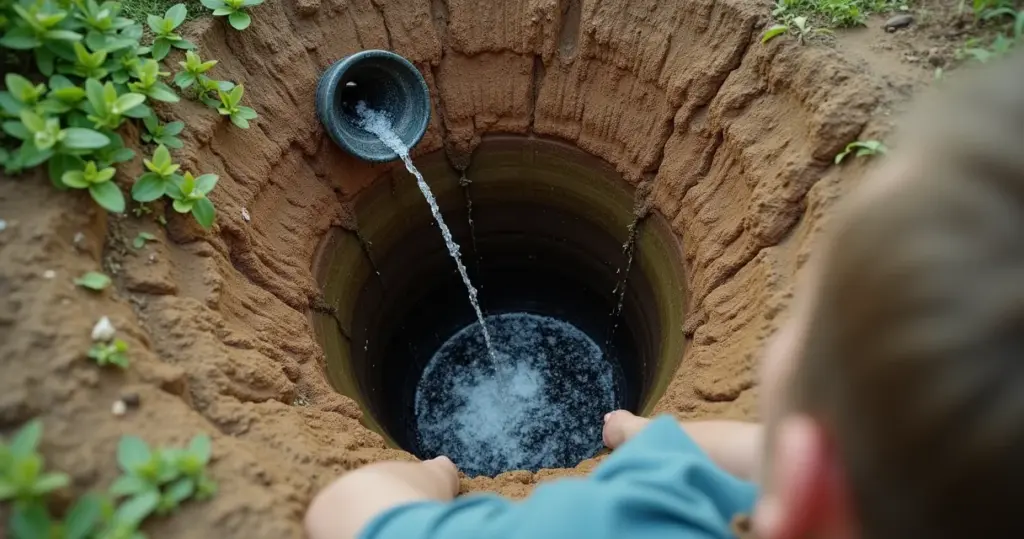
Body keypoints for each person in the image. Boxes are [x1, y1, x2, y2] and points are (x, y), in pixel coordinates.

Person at [306, 51, 1024, 539]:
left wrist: (437, 472)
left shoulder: (621, 522)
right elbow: (778, 459)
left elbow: (348, 509)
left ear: (807, 483)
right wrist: (652, 439)